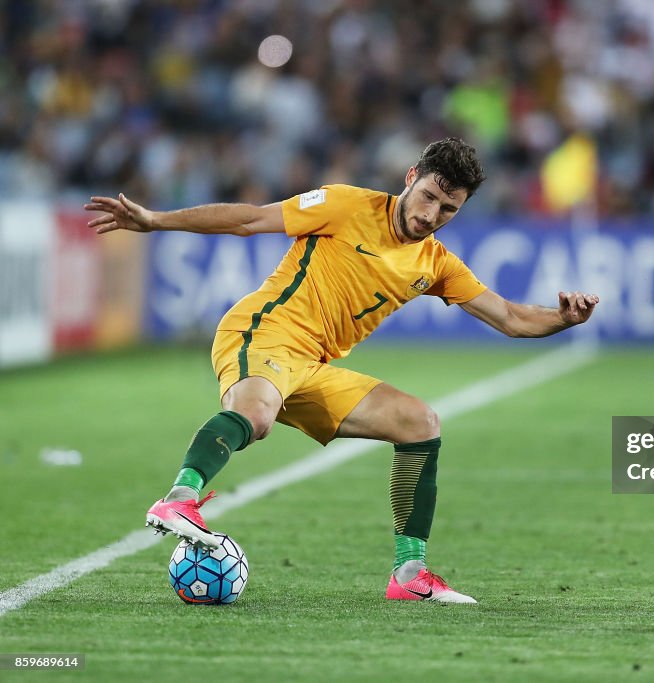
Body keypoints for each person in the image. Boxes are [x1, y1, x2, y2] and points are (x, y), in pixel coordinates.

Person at [86, 138, 600, 604]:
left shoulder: (437, 264)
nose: (433, 214)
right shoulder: (345, 204)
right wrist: (154, 221)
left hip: (311, 366)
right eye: (429, 196)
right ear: (410, 177)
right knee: (256, 416)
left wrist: (563, 318)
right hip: (264, 331)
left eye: (449, 208)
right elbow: (249, 220)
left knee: (419, 422)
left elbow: (509, 317)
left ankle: (409, 573)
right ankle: (180, 497)